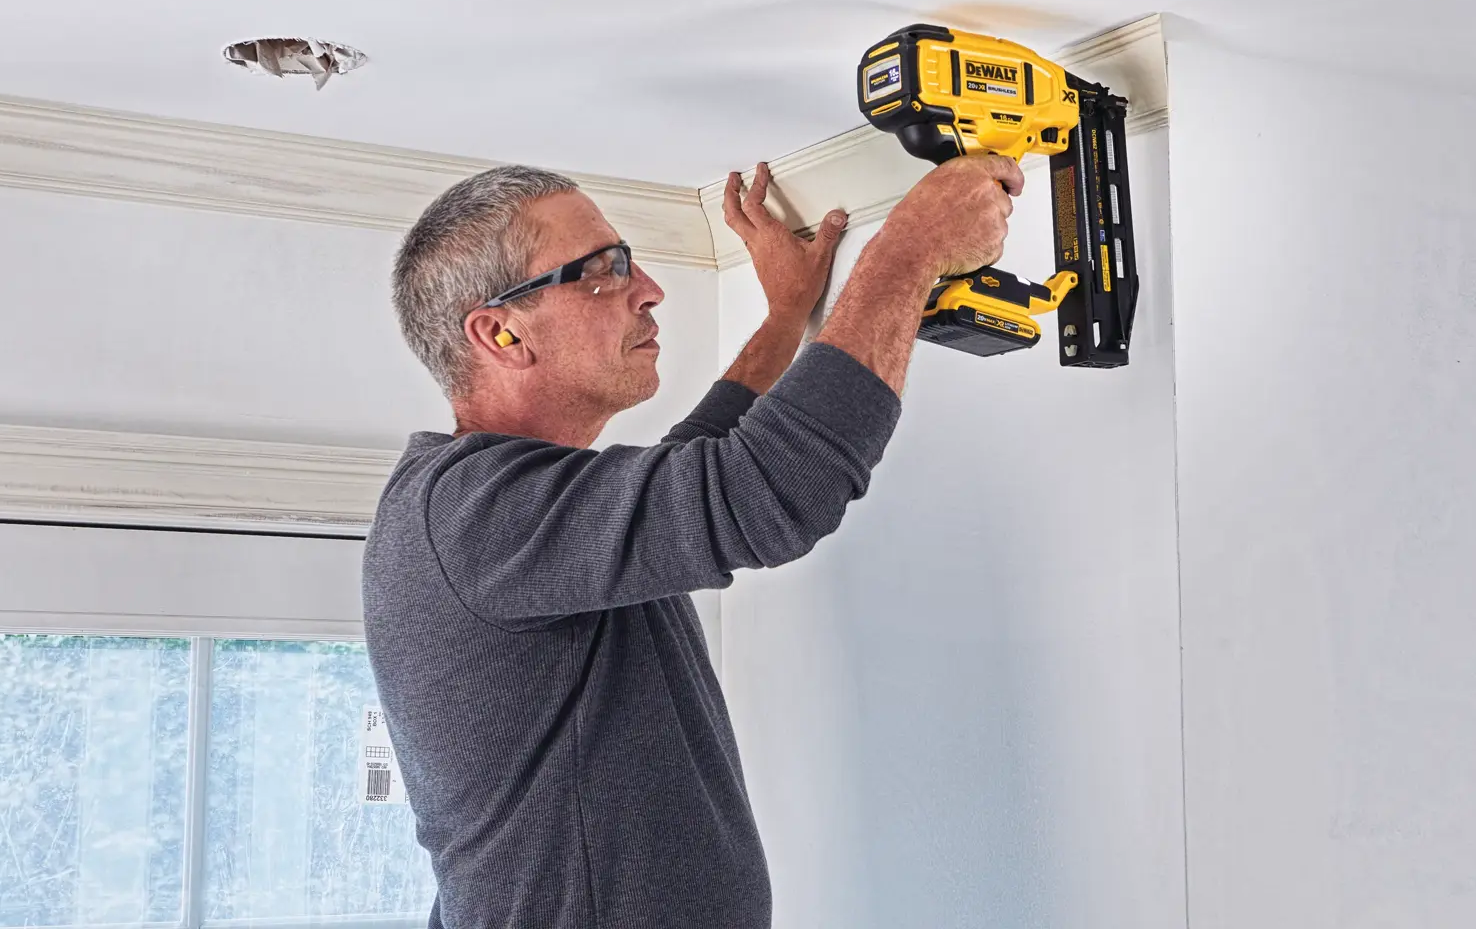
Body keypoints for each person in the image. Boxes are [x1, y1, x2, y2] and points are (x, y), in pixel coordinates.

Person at [365, 154, 1024, 928]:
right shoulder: (467, 512)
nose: (649, 290)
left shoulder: (500, 511)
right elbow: (763, 488)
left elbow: (694, 470)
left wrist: (785, 321)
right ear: (501, 331)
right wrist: (910, 249)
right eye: (602, 271)